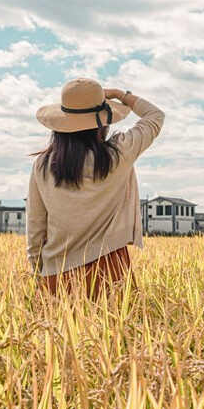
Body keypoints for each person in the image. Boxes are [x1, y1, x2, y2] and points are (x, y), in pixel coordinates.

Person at [26, 78, 164, 297]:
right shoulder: (118, 154)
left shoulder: (42, 165)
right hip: (109, 271)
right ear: (104, 122)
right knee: (115, 331)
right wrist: (120, 94)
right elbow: (155, 116)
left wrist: (38, 272)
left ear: (61, 124)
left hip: (57, 273)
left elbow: (35, 226)